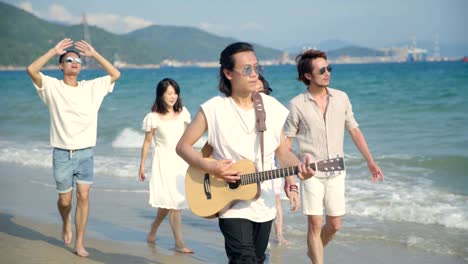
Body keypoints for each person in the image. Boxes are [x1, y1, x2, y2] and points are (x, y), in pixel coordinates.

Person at [176, 42, 314, 263]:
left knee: (257, 259)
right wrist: (209, 166)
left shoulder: (271, 107)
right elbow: (182, 147)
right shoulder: (213, 109)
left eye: (257, 68)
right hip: (229, 201)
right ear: (228, 73)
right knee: (244, 259)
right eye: (247, 69)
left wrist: (299, 168)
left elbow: (283, 153)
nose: (254, 74)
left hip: (265, 201)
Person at [284, 49, 384, 263]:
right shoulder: (296, 105)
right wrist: (291, 179)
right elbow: (286, 147)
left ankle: (314, 249)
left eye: (329, 68)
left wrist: (370, 162)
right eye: (322, 70)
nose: (327, 72)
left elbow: (354, 130)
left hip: (337, 171)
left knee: (335, 224)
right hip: (310, 173)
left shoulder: (341, 98)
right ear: (308, 76)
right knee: (315, 224)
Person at [26, 38, 121, 257]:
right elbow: (31, 69)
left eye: (77, 60)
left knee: (84, 196)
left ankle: (79, 242)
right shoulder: (51, 86)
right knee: (65, 201)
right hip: (61, 153)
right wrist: (53, 51)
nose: (74, 62)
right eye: (68, 60)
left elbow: (115, 74)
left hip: (86, 152)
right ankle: (65, 220)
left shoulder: (92, 87)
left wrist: (94, 54)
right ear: (61, 66)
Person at [138, 78, 193, 254]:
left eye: (175, 92)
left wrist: (195, 160)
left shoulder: (183, 113)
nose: (173, 96)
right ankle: (179, 243)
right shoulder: (153, 118)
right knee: (174, 204)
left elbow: (187, 139)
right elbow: (147, 142)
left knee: (169, 203)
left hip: (180, 162)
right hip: (163, 162)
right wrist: (141, 166)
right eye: (169, 93)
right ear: (161, 95)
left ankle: (153, 228)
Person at [256, 75, 290, 246]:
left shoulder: (275, 114)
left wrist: (291, 182)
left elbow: (284, 150)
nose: (259, 94)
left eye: (262, 91)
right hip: (249, 169)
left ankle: (279, 234)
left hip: (273, 166)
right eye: (256, 91)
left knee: (275, 199)